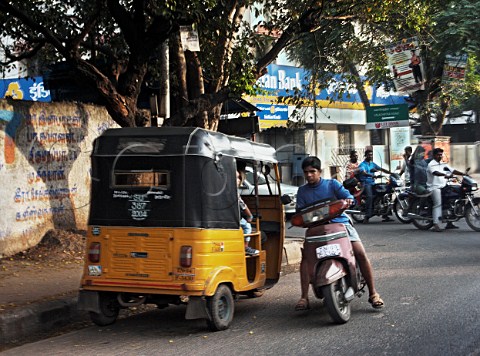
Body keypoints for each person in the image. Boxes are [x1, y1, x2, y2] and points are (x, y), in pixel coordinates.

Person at [294, 156, 384, 311]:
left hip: (340, 223)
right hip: (315, 228)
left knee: (360, 252)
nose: (309, 175)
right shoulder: (302, 191)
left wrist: (348, 201)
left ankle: (373, 293)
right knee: (306, 259)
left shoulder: (332, 184)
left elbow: (349, 197)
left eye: (312, 171)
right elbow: (299, 212)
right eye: (306, 172)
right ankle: (304, 297)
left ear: (319, 171)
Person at [427, 148, 466, 232]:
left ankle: (449, 222)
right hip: (434, 187)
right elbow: (435, 173)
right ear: (434, 155)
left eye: (441, 154)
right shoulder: (431, 165)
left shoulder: (443, 163)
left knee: (453, 198)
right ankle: (435, 224)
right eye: (438, 155)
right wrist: (445, 175)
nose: (440, 156)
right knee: (438, 204)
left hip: (444, 185)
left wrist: (463, 173)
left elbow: (452, 170)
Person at [357, 150, 393, 223]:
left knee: (385, 191)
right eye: (369, 155)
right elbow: (363, 172)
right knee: (369, 197)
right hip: (366, 183)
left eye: (371, 155)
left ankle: (385, 214)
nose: (370, 156)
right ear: (365, 155)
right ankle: (367, 216)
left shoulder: (372, 164)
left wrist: (391, 173)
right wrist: (371, 175)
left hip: (373, 183)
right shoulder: (362, 165)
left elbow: (380, 169)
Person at [237, 171, 259, 256]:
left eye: (239, 177)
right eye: (237, 178)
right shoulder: (234, 192)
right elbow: (243, 206)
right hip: (233, 219)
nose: (239, 180)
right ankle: (245, 246)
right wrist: (250, 216)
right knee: (247, 227)